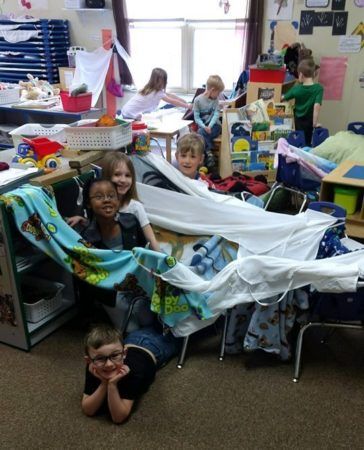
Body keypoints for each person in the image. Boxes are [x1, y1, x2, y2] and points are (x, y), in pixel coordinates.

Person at [79, 177, 154, 331]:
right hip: (112, 294)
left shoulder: (131, 222)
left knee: (150, 323)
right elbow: (89, 278)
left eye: (111, 196)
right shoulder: (88, 239)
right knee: (131, 331)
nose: (107, 200)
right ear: (88, 203)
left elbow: (144, 252)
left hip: (139, 286)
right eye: (99, 197)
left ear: (118, 200)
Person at [82, 323, 180, 424]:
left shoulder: (133, 372)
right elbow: (88, 410)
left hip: (155, 347)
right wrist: (104, 383)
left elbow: (118, 418)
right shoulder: (93, 367)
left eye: (115, 355)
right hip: (131, 340)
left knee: (181, 333)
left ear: (124, 354)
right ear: (89, 361)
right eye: (100, 358)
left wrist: (112, 385)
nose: (109, 364)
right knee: (167, 326)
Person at [68, 152, 160, 252]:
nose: (123, 180)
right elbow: (96, 225)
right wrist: (83, 220)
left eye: (128, 175)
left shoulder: (135, 207)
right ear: (105, 176)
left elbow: (151, 239)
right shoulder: (98, 205)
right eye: (117, 174)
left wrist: (163, 264)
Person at [121, 67, 192, 120]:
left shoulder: (148, 89)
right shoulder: (157, 93)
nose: (165, 82)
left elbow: (170, 95)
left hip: (126, 112)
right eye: (164, 80)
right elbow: (172, 101)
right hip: (130, 115)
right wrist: (187, 106)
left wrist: (184, 101)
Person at [281, 59, 324, 146]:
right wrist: (315, 123)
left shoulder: (297, 88)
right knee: (307, 142)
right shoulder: (319, 88)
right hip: (309, 121)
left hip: (297, 120)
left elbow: (283, 98)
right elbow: (317, 105)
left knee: (298, 141)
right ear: (313, 73)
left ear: (301, 74)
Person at [193, 74, 225, 170]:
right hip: (203, 127)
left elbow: (216, 115)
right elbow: (196, 117)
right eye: (218, 92)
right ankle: (209, 155)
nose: (218, 95)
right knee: (200, 133)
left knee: (201, 134)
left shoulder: (215, 100)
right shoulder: (197, 100)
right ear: (212, 90)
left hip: (214, 126)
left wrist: (210, 126)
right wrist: (204, 126)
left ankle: (208, 153)